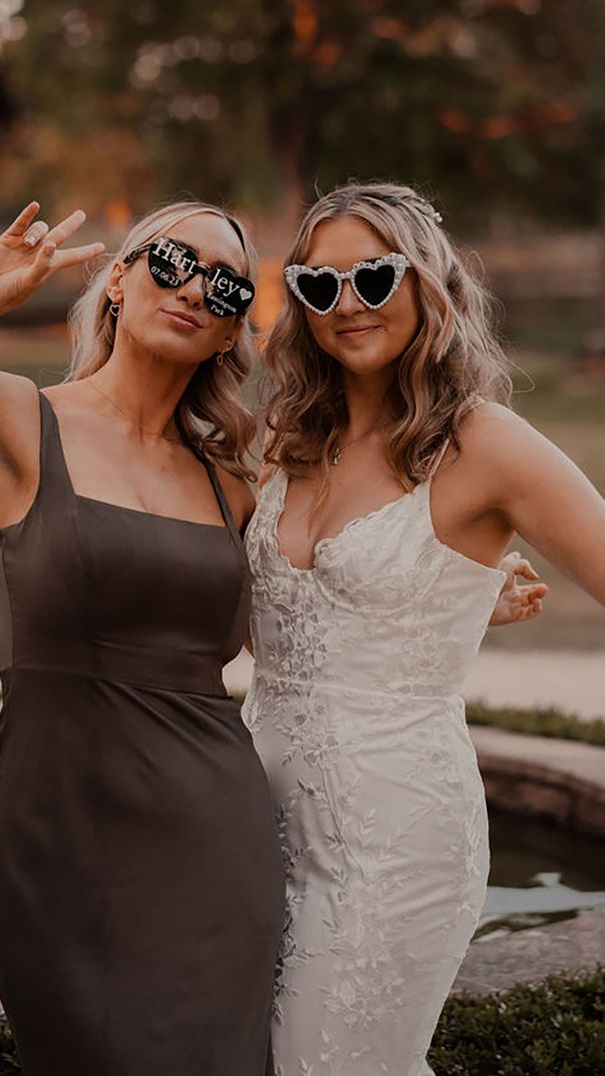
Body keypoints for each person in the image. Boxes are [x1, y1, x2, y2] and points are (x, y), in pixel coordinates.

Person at [0, 201, 285, 1075]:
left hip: (216, 838)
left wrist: (464, 600)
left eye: (226, 286)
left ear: (231, 333)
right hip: (58, 833)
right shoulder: (12, 420)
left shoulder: (233, 483)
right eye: (173, 260)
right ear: (117, 276)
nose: (195, 290)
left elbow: (298, 640)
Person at [242, 181, 605, 1076]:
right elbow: (279, 634)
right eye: (318, 286)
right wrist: (461, 599)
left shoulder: (485, 442)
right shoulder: (284, 440)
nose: (347, 304)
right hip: (253, 832)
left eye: (372, 275)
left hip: (396, 842)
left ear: (426, 280)